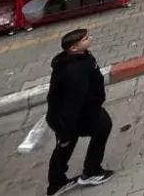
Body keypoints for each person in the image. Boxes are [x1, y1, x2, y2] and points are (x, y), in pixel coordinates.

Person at [46, 29, 114, 195]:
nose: (89, 39)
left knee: (66, 145)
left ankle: (57, 183)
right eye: (85, 39)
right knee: (101, 127)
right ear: (74, 48)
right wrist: (65, 129)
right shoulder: (73, 70)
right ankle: (91, 172)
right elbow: (72, 101)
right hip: (75, 116)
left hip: (77, 113)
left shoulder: (81, 58)